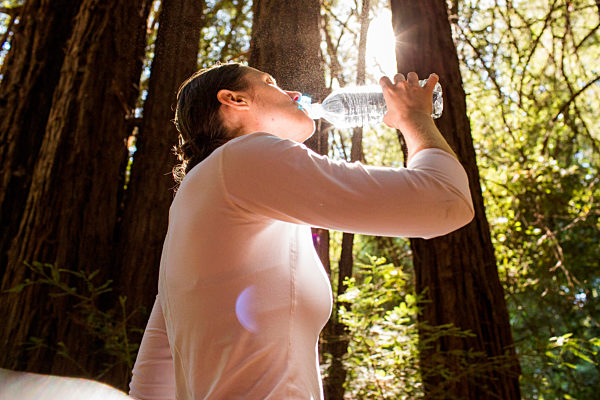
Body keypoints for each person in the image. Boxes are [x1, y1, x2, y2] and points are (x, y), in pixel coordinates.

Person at [129, 63, 474, 400]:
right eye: (270, 82)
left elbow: (152, 380)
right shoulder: (246, 157)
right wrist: (414, 118)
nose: (293, 93)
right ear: (234, 100)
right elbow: (445, 200)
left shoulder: (193, 203)